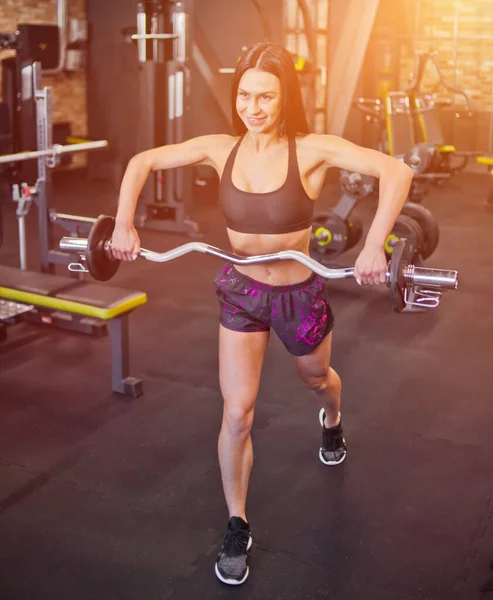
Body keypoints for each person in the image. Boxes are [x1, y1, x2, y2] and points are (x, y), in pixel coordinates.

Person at [110, 42, 414, 586]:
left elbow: (396, 171)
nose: (253, 107)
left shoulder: (313, 150)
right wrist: (123, 224)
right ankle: (236, 523)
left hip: (299, 296)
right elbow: (143, 161)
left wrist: (375, 245)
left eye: (265, 97)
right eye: (244, 95)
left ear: (285, 99)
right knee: (237, 412)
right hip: (242, 292)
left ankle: (333, 421)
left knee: (317, 378)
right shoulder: (219, 148)